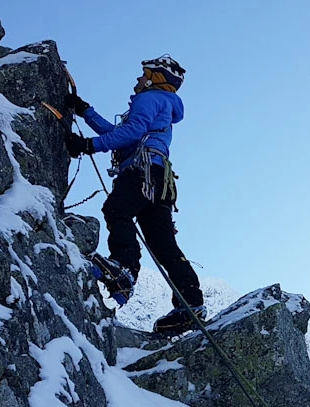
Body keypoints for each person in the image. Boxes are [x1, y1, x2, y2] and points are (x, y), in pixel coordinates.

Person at [64, 55, 206, 335]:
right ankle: (190, 302)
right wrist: (86, 112)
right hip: (159, 178)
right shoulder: (162, 103)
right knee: (162, 244)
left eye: (144, 75)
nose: (138, 80)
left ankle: (125, 269)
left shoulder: (149, 97)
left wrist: (88, 145)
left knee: (117, 209)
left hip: (141, 171)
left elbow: (131, 132)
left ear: (156, 79)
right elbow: (122, 133)